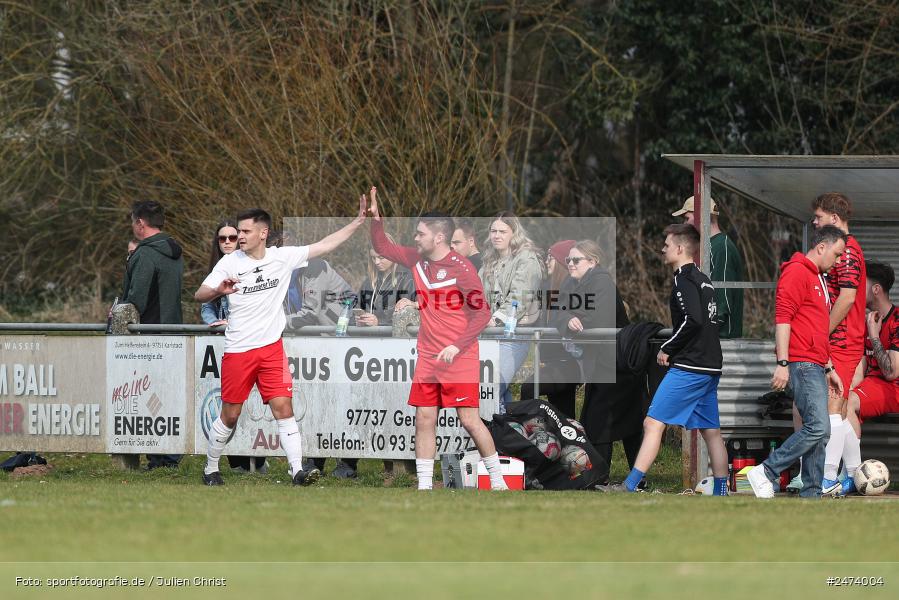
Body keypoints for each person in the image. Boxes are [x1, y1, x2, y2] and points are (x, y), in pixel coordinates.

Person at [193, 201, 366, 486]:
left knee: (284, 408)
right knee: (230, 415)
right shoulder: (230, 262)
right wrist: (216, 291)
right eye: (239, 232)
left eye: (246, 231)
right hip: (238, 351)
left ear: (263, 233)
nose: (240, 237)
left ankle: (297, 471)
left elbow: (325, 245)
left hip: (271, 349)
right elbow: (199, 293)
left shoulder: (282, 257)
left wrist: (358, 222)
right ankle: (211, 467)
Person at [367, 186, 508, 491]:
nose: (415, 238)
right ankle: (425, 486)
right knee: (424, 418)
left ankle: (498, 481)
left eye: (420, 234)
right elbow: (383, 246)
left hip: (460, 355)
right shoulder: (418, 261)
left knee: (470, 420)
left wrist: (456, 345)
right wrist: (376, 219)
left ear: (439, 237)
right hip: (429, 355)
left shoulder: (463, 269)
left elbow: (482, 314)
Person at [601, 224, 728, 494]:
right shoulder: (704, 279)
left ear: (681, 249)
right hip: (710, 365)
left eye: (667, 245)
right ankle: (721, 491)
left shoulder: (683, 279)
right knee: (711, 431)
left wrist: (667, 347)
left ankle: (630, 485)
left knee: (652, 423)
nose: (662, 249)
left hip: (691, 366)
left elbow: (693, 321)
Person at [747, 225, 846, 499]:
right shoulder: (796, 272)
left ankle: (812, 493)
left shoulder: (819, 278)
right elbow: (783, 319)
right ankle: (765, 471)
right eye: (836, 255)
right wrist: (782, 362)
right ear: (822, 247)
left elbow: (814, 326)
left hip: (816, 363)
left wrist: (829, 367)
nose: (838, 262)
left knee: (820, 433)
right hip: (801, 363)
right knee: (818, 427)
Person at [332, 235, 416, 479]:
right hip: (371, 352)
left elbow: (410, 313)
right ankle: (379, 466)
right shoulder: (370, 282)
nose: (378, 261)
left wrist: (381, 321)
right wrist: (359, 317)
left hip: (397, 353)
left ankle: (406, 468)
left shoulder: (407, 279)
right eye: (374, 257)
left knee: (398, 408)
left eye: (382, 256)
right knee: (371, 406)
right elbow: (360, 306)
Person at [553, 240, 637, 475]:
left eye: (576, 259)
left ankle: (620, 476)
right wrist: (567, 320)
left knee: (615, 421)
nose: (570, 263)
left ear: (593, 262)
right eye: (568, 259)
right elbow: (557, 312)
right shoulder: (571, 282)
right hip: (599, 363)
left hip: (619, 362)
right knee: (598, 419)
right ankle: (602, 475)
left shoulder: (602, 282)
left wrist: (571, 319)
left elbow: (597, 321)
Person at [200, 219, 268, 474]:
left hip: (253, 343)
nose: (228, 241)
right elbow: (205, 304)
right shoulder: (217, 271)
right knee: (229, 407)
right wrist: (216, 323)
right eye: (222, 238)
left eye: (232, 236)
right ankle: (226, 463)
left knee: (259, 406)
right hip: (226, 345)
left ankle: (258, 460)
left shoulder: (252, 264)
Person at [121, 200, 184, 470]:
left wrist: (120, 313)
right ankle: (167, 456)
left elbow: (137, 299)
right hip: (172, 333)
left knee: (146, 399)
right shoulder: (175, 251)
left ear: (140, 223)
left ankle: (157, 458)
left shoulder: (145, 254)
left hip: (147, 336)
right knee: (165, 397)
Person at [811, 193, 866, 495]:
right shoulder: (846, 249)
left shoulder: (846, 251)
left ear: (834, 218)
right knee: (839, 410)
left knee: (833, 405)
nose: (814, 222)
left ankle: (827, 478)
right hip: (842, 339)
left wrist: (822, 332)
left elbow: (846, 297)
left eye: (818, 217)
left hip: (843, 340)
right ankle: (856, 474)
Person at [842, 262, 899, 493]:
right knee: (840, 401)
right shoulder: (865, 319)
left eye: (861, 284)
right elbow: (859, 367)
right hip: (873, 385)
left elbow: (892, 371)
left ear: (876, 289)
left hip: (893, 386)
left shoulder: (896, 320)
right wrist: (842, 390)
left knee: (849, 404)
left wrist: (875, 336)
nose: (855, 289)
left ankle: (852, 475)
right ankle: (839, 473)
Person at [479, 212, 544, 409]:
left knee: (490, 390)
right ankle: (509, 435)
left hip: (512, 337)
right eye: (493, 231)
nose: (496, 235)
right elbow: (475, 294)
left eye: (502, 231)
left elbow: (520, 296)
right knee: (498, 394)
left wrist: (495, 320)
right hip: (488, 336)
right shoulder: (489, 261)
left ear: (514, 233)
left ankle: (496, 438)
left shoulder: (526, 259)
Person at [520, 240, 580, 418]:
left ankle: (527, 431)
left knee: (528, 387)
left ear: (561, 261)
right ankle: (566, 442)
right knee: (564, 414)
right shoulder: (547, 287)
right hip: (550, 360)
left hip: (568, 362)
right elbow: (535, 317)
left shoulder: (572, 287)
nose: (547, 261)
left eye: (551, 257)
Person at [673, 196, 744, 338]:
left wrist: (704, 336)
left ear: (701, 216)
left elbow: (721, 301)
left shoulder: (721, 248)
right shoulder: (709, 246)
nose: (685, 224)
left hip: (721, 339)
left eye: (687, 218)